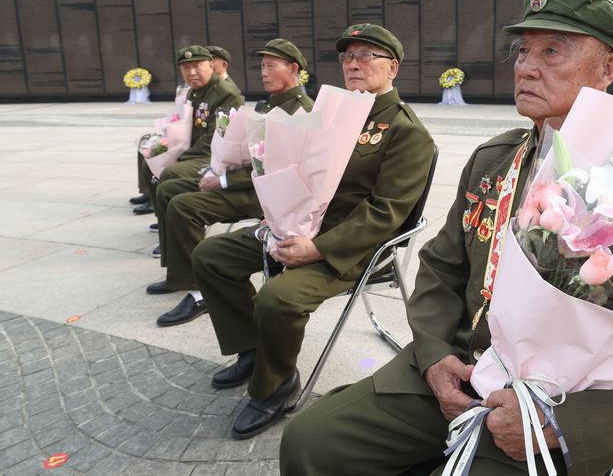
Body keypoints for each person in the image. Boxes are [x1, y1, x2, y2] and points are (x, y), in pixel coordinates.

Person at [279, 0, 613, 475]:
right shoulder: (495, 160)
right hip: (461, 367)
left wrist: (563, 426)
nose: (527, 67)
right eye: (523, 50)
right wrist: (435, 357)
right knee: (310, 443)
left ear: (609, 68)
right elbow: (441, 267)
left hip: (557, 403)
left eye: (552, 51)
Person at [192, 24, 435, 440]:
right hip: (295, 227)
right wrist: (277, 210)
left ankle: (276, 385)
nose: (353, 64)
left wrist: (317, 248)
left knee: (277, 298)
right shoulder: (329, 113)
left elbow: (386, 212)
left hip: (349, 247)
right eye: (347, 56)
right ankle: (253, 350)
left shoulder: (406, 131)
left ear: (392, 68)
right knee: (211, 256)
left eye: (366, 55)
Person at [147, 40, 315, 328]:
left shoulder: (302, 112)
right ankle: (180, 275)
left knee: (184, 206)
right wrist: (221, 166)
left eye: (271, 66)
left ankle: (199, 292)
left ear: (293, 69)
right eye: (262, 66)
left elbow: (289, 172)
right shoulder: (269, 104)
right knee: (170, 189)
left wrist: (224, 180)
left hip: (263, 197)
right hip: (249, 184)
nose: (263, 73)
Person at [137, 45, 243, 255]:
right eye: (186, 68)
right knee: (149, 157)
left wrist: (179, 156)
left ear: (210, 65)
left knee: (170, 172)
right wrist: (165, 146)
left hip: (212, 156)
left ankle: (174, 236)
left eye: (197, 66)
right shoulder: (193, 91)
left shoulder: (224, 93)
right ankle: (166, 224)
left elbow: (215, 138)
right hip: (194, 151)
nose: (192, 72)